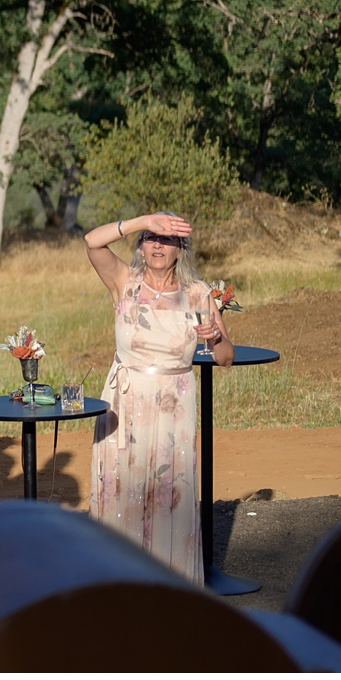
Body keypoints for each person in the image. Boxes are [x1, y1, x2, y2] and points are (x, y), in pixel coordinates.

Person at [83, 210, 232, 583]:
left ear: (181, 250)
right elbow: (92, 241)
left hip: (173, 411)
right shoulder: (125, 282)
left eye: (167, 240)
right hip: (125, 404)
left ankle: (168, 589)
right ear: (141, 246)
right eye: (151, 239)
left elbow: (225, 357)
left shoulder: (198, 293)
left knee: (169, 496)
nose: (158, 246)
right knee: (124, 491)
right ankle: (115, 585)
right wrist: (144, 220)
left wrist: (215, 336)